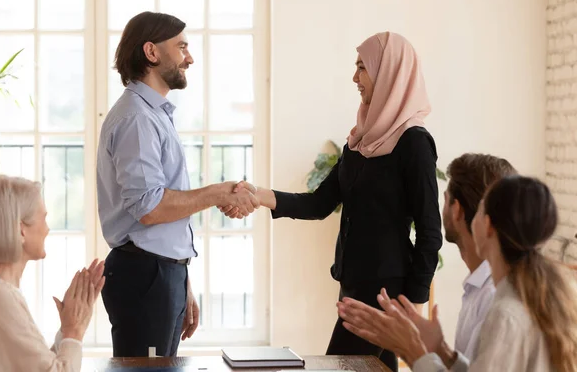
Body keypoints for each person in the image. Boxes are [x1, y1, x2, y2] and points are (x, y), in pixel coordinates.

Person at [220, 31, 442, 371]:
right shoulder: (359, 140)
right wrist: (259, 195)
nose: (355, 77)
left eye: (362, 67)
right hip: (354, 285)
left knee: (339, 367)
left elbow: (430, 231)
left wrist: (410, 306)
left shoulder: (413, 143)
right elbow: (319, 203)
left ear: (388, 72)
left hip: (386, 294)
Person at [96, 11, 260, 357]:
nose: (190, 57)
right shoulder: (137, 118)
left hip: (158, 273)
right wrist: (219, 193)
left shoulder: (152, 114)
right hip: (145, 276)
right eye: (181, 46)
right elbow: (151, 207)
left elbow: (157, 225)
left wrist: (181, 281)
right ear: (152, 53)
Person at [337, 175, 577, 371]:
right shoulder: (522, 297)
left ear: (489, 226)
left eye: (480, 211)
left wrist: (415, 351)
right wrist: (442, 351)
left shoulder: (507, 313)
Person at [0, 175, 105, 371]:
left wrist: (66, 329)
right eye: (43, 218)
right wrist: (74, 330)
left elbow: (34, 366)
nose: (47, 228)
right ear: (21, 230)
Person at [441, 153, 516, 360]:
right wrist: (438, 350)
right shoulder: (480, 286)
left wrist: (415, 351)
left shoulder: (494, 297)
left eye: (446, 199)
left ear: (457, 210)